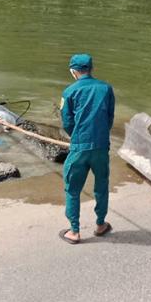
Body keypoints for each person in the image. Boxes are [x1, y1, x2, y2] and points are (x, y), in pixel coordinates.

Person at [58, 54, 115, 244]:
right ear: (91, 69)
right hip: (101, 146)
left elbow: (67, 122)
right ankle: (100, 224)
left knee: (72, 189)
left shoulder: (69, 92)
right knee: (101, 186)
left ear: (73, 71)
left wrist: (77, 137)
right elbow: (109, 118)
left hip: (79, 147)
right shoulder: (106, 89)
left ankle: (74, 231)